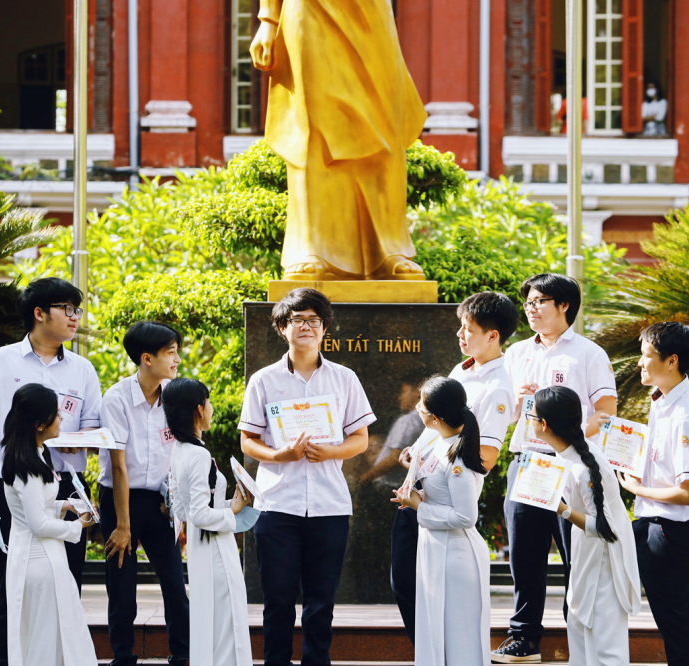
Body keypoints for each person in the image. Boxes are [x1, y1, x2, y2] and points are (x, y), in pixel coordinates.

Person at [0, 277, 102, 666]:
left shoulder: (82, 369)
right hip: (13, 485)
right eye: (67, 309)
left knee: (66, 584)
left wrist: (79, 440)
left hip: (67, 487)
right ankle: (9, 660)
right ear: (39, 314)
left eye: (77, 309)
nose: (76, 317)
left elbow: (94, 426)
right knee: (14, 584)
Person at [238, 287, 376, 666]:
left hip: (329, 505)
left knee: (321, 601)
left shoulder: (344, 378)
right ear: (282, 327)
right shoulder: (263, 381)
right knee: (278, 599)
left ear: (324, 329)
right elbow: (248, 441)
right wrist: (278, 454)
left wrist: (331, 451)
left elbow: (361, 439)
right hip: (277, 504)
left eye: (313, 320)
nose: (306, 326)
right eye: (297, 319)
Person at [249, 0, 429, 281]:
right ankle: (312, 247)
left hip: (371, 14)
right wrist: (269, 19)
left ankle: (388, 249)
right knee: (315, 125)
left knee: (384, 125)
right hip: (309, 10)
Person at [494, 273, 617, 664]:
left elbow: (607, 414)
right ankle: (523, 638)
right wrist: (516, 402)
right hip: (528, 462)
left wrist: (567, 436)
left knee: (574, 553)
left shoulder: (588, 353)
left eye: (539, 301)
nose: (531, 309)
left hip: (571, 465)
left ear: (564, 305)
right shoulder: (514, 354)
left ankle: (577, 637)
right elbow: (507, 415)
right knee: (524, 554)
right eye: (528, 303)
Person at [393, 291, 518, 643]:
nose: (460, 335)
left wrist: (436, 466)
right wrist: (415, 455)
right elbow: (433, 429)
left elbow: (485, 458)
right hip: (417, 490)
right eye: (460, 327)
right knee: (404, 580)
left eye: (469, 329)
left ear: (493, 336)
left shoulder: (497, 387)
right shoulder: (461, 370)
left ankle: (433, 652)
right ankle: (428, 652)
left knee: (423, 588)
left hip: (442, 501)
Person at [618, 322, 689, 666]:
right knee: (669, 618)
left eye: (646, 356)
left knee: (675, 620)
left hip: (670, 528)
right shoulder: (662, 401)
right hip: (652, 521)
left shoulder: (683, 417)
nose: (639, 363)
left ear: (671, 361)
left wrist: (639, 488)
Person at [99, 321, 190, 666]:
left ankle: (182, 654)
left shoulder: (175, 396)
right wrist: (123, 526)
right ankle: (123, 657)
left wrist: (174, 501)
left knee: (174, 582)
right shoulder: (117, 399)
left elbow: (180, 453)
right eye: (171, 352)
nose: (177, 359)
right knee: (121, 585)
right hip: (119, 500)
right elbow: (119, 468)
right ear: (147, 358)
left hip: (159, 502)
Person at [529, 386, 640, 666]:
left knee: (604, 643)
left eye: (530, 415)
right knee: (578, 628)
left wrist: (562, 510)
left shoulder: (585, 466)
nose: (527, 420)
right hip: (585, 552)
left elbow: (605, 528)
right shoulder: (567, 454)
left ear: (544, 425)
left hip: (605, 560)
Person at [392, 376, 490, 666]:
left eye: (421, 403)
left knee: (458, 640)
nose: (416, 407)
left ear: (434, 417)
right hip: (438, 549)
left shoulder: (457, 457)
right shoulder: (441, 442)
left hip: (455, 555)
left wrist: (418, 506)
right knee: (437, 632)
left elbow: (465, 516)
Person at [1, 383, 97, 666]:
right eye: (56, 415)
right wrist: (78, 526)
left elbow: (35, 508)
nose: (62, 419)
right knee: (47, 641)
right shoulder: (28, 465)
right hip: (40, 564)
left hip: (38, 559)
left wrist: (65, 506)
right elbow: (38, 524)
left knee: (55, 636)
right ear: (39, 424)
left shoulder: (32, 455)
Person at [166, 378, 254, 666]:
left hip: (201, 550)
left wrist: (228, 504)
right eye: (209, 401)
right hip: (216, 549)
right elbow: (199, 514)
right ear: (199, 410)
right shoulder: (199, 455)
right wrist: (236, 508)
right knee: (229, 625)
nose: (211, 407)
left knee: (211, 622)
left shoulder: (179, 450)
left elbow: (182, 509)